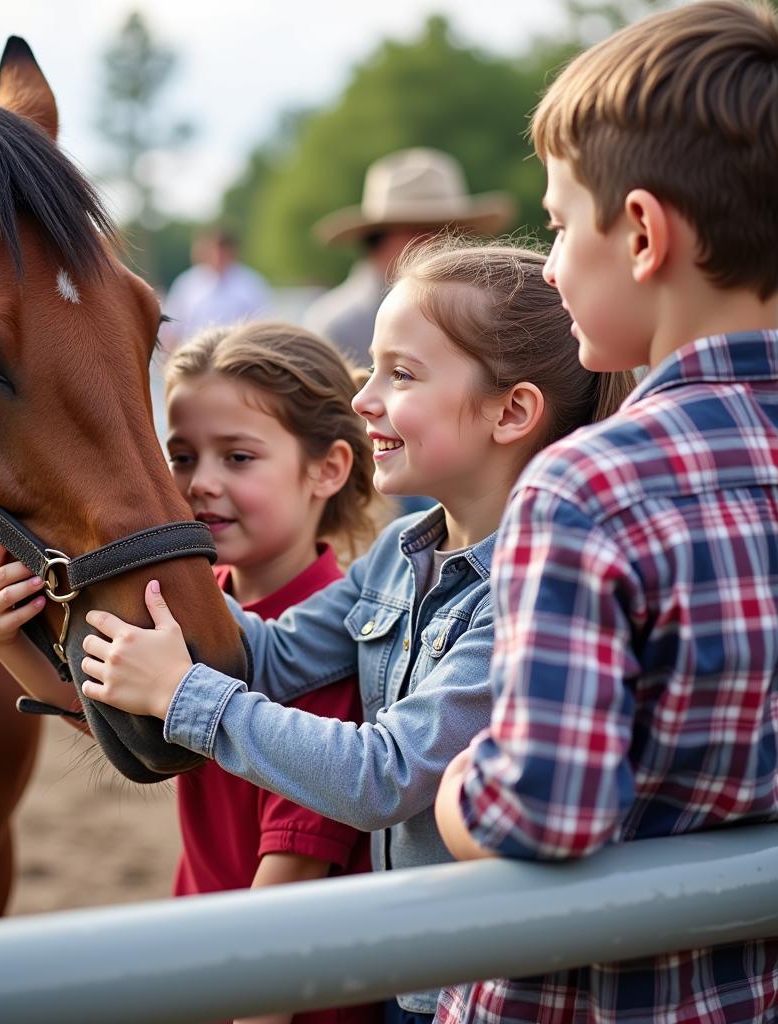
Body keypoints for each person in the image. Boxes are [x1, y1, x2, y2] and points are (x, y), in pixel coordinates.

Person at [76, 240, 634, 1023]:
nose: (365, 397)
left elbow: (384, 775)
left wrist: (185, 695)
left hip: (476, 984)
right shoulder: (394, 562)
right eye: (373, 368)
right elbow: (272, 653)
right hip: (411, 976)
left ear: (511, 411)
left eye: (400, 374)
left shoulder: (528, 592)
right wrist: (132, 564)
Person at [433, 3, 778, 1022]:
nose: (545, 263)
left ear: (638, 232)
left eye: (554, 221)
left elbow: (545, 811)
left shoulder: (588, 487)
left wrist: (457, 787)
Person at [0, 320, 384, 1024]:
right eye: (182, 455)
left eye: (239, 457)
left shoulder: (326, 649)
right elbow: (114, 719)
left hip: (280, 992)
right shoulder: (204, 603)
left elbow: (286, 899)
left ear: (328, 469)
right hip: (204, 957)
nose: (201, 484)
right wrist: (6, 639)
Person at [302, 148, 515, 369]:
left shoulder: (485, 313)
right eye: (421, 232)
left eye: (451, 231)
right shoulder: (336, 327)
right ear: (378, 238)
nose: (440, 243)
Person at [159, 227, 271, 351]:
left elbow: (263, 329)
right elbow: (171, 330)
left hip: (239, 357)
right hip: (195, 359)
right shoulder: (187, 284)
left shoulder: (251, 284)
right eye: (214, 249)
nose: (218, 255)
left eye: (223, 250)